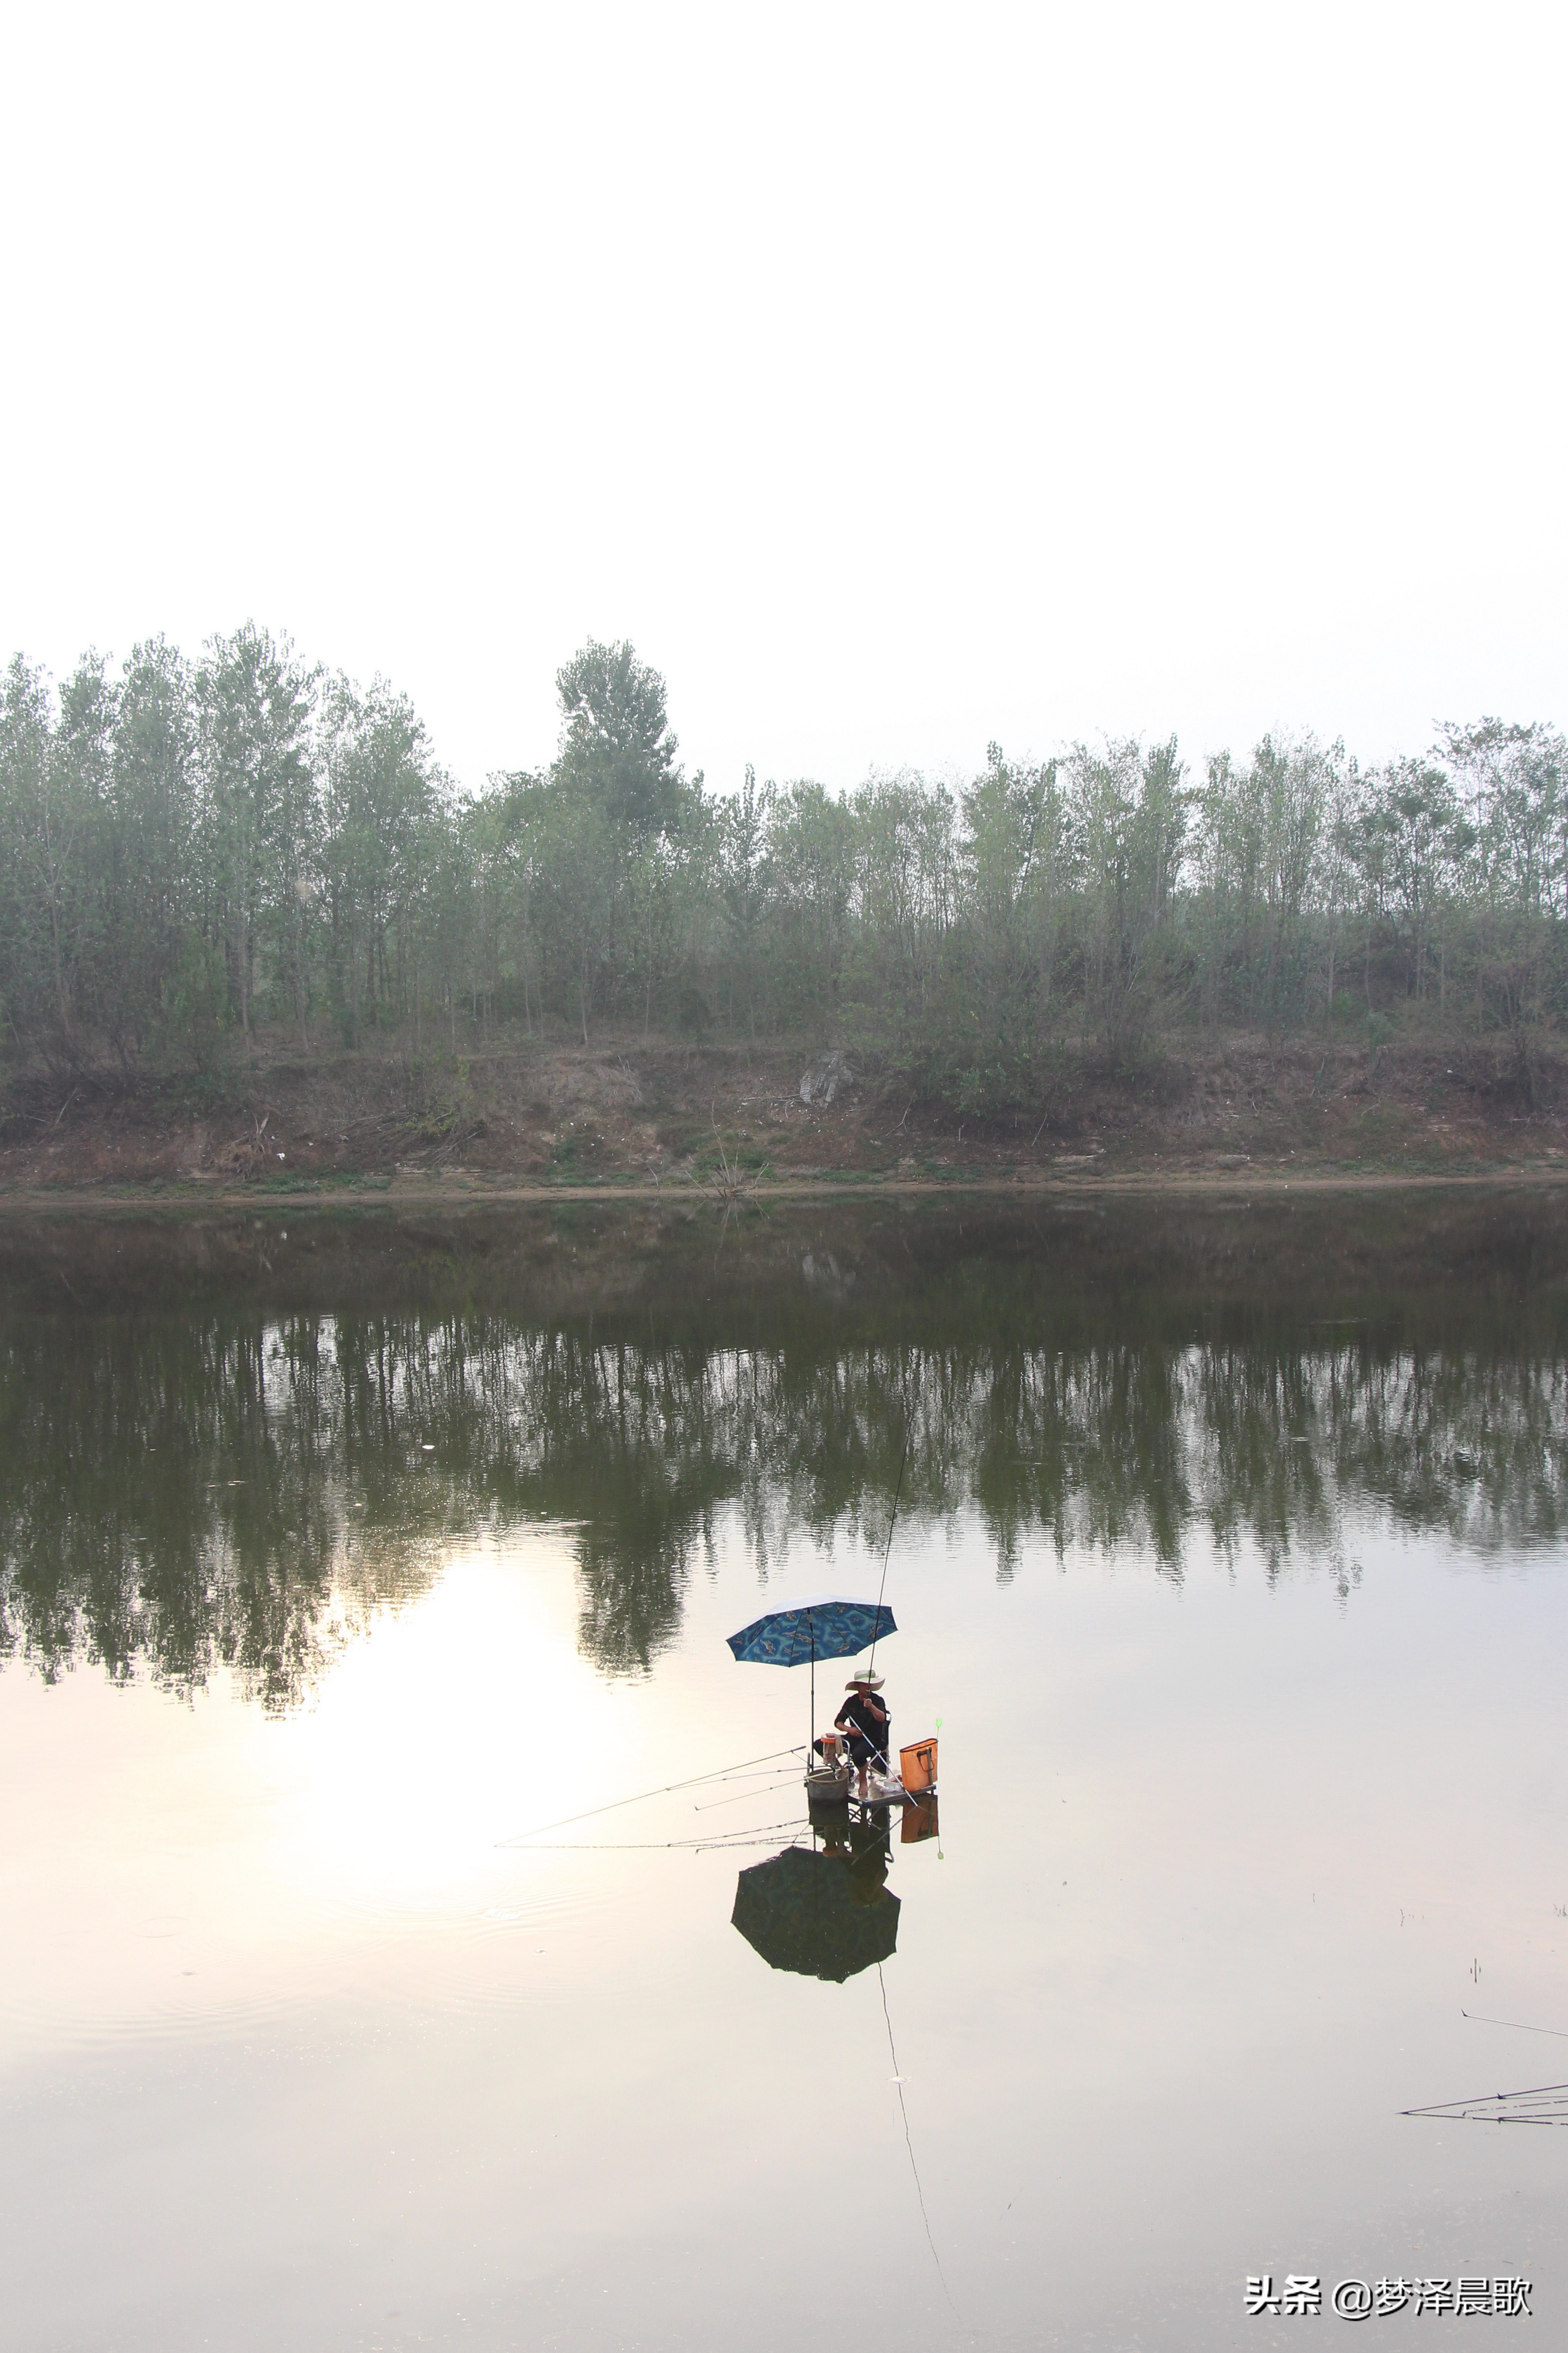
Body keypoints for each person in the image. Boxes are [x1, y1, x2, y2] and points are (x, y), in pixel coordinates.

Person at [835, 1673, 891, 1801]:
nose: (867, 1688)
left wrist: (871, 1707)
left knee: (858, 1755)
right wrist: (849, 1729)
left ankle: (863, 1778)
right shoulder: (851, 1701)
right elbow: (838, 1722)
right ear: (858, 1686)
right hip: (853, 1736)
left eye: (869, 1685)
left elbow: (883, 1719)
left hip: (872, 1739)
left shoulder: (877, 1700)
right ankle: (841, 1771)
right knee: (820, 1744)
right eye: (865, 1685)